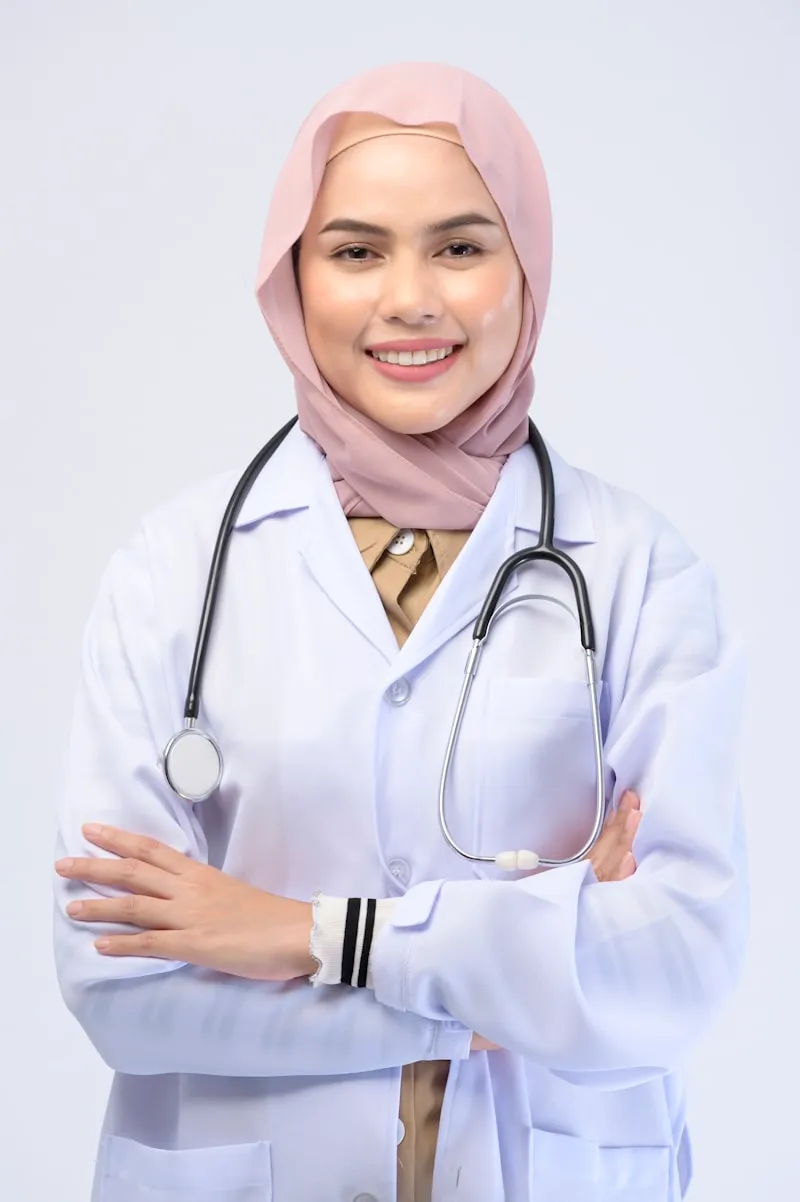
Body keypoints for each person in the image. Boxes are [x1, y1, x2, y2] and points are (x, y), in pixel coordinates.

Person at [52, 62, 747, 1202]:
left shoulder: (637, 570)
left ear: (527, 264)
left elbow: (678, 964)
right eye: (356, 251)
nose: (410, 298)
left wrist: (302, 932)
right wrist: (506, 981)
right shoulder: (171, 571)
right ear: (293, 277)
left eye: (460, 246)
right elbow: (119, 987)